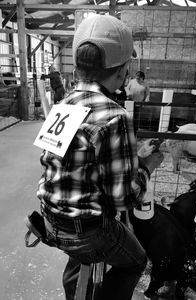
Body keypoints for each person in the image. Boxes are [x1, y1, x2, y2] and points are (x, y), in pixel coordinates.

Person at [36, 15, 163, 300]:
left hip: (50, 219)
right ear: (121, 72)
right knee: (135, 260)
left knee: (81, 250)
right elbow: (123, 199)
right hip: (85, 231)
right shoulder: (114, 116)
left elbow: (61, 164)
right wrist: (146, 166)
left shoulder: (64, 104)